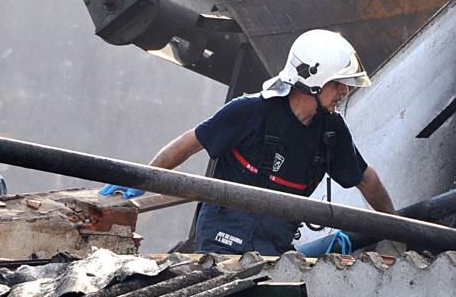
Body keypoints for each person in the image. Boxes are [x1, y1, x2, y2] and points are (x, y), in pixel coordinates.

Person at [147, 29, 395, 255]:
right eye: (339, 83)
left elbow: (365, 178)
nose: (345, 91)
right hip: (222, 240)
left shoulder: (331, 129)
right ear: (314, 81)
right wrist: (143, 179)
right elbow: (189, 142)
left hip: (273, 245)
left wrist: (399, 227)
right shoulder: (251, 111)